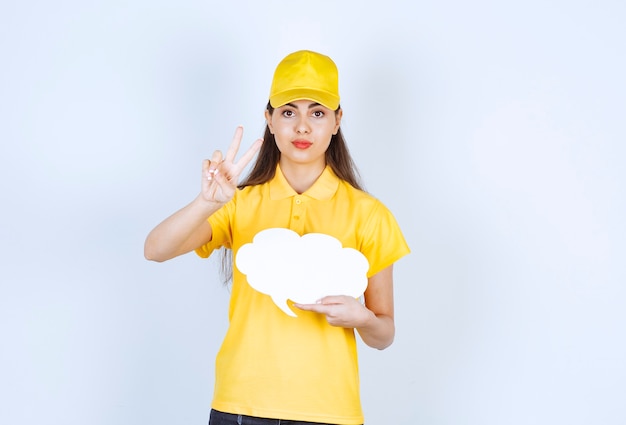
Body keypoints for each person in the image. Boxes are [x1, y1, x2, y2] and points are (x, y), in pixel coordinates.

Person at [144, 50, 410, 425]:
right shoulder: (239, 202)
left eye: (317, 112)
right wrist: (205, 203)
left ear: (337, 121)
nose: (302, 127)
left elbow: (384, 334)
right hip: (240, 407)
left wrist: (363, 318)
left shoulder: (369, 215)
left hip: (330, 412)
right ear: (269, 120)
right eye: (288, 111)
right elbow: (155, 250)